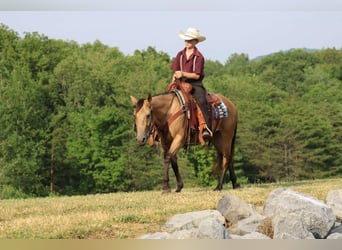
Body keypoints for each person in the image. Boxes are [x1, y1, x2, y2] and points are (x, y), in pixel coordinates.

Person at [170, 27, 212, 139]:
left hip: (195, 85)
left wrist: (182, 73)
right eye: (186, 40)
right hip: (180, 83)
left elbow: (196, 75)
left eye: (190, 40)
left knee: (201, 100)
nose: (187, 42)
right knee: (167, 99)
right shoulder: (180, 54)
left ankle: (205, 127)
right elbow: (176, 70)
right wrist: (173, 80)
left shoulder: (199, 57)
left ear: (196, 42)